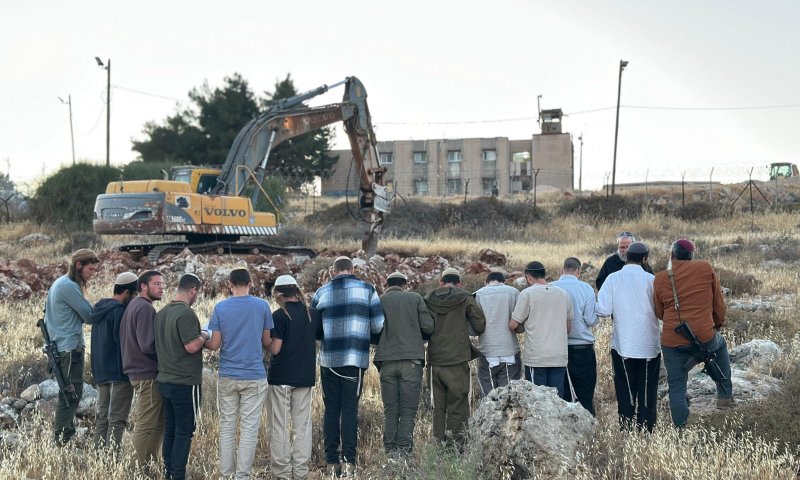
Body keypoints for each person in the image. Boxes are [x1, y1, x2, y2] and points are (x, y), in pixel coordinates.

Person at [312, 256, 384, 477]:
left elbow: (314, 330)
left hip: (329, 361)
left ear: (333, 271)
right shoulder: (368, 290)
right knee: (350, 409)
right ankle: (349, 462)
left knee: (331, 409)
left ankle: (331, 462)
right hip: (355, 359)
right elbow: (378, 325)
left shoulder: (321, 293)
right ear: (352, 270)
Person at [654, 238, 733, 428]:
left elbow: (659, 312)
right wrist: (715, 325)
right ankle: (724, 397)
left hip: (673, 342)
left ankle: (681, 430)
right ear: (691, 255)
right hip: (705, 335)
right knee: (720, 346)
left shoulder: (660, 278)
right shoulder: (705, 268)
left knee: (676, 387)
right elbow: (718, 303)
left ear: (672, 256)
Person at [205, 268, 273, 480]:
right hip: (253, 374)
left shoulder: (221, 307)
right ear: (250, 283)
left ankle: (226, 476)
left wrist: (199, 340)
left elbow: (215, 344)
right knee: (249, 429)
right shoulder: (262, 306)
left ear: (230, 284)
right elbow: (266, 341)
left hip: (228, 374)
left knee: (227, 428)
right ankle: (242, 476)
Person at [596, 242, 661, 432]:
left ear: (626, 257)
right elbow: (661, 311)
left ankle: (626, 429)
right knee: (648, 390)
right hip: (649, 346)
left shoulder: (613, 279)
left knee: (625, 389)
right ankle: (646, 429)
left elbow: (603, 309)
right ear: (644, 259)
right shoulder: (651, 280)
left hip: (623, 345)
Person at [154, 273, 209, 480]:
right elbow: (192, 346)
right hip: (185, 382)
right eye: (197, 293)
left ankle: (169, 473)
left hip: (165, 380)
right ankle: (177, 475)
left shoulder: (161, 313)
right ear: (193, 290)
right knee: (184, 432)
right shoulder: (186, 314)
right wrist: (204, 335)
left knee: (170, 430)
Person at [374, 271, 434, 455]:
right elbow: (428, 327)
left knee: (390, 411)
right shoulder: (415, 298)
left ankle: (389, 451)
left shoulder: (380, 301)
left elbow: (374, 329)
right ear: (405, 284)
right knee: (408, 412)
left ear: (387, 284)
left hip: (386, 362)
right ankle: (404, 452)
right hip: (411, 362)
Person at [45, 248, 100, 446]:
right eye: (90, 270)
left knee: (69, 393)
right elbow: (89, 316)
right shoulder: (69, 286)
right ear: (79, 265)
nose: (92, 274)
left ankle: (65, 435)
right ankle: (62, 441)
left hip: (62, 346)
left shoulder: (59, 283)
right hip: (69, 347)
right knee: (69, 395)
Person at [425, 267, 485, 446]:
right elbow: (480, 325)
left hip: (435, 361)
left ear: (441, 282)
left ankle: (438, 444)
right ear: (459, 283)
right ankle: (457, 446)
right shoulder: (465, 297)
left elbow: (424, 327)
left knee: (438, 407)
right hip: (458, 360)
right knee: (458, 405)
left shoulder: (428, 300)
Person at [267, 274, 320, 479]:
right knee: (302, 426)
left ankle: (282, 472)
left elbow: (276, 348)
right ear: (296, 291)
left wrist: (265, 343)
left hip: (281, 377)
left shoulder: (279, 315)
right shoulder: (313, 314)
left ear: (278, 294)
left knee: (279, 426)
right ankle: (300, 471)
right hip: (305, 376)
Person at [120, 270, 165, 472]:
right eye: (156, 283)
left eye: (162, 284)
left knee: (156, 423)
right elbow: (148, 345)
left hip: (138, 373)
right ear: (143, 286)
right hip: (147, 374)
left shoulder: (134, 305)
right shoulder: (145, 309)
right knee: (146, 425)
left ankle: (148, 467)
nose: (161, 287)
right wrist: (170, 349)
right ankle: (134, 470)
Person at [89, 271, 138, 451]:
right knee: (117, 420)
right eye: (134, 295)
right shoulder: (119, 312)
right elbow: (124, 343)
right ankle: (111, 462)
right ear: (126, 293)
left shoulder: (99, 309)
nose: (134, 299)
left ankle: (99, 459)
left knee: (102, 419)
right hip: (119, 373)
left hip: (101, 373)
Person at [510, 261, 572, 397]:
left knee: (536, 401)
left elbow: (513, 324)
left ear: (528, 277)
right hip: (558, 356)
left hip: (536, 358)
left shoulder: (527, 294)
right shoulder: (563, 294)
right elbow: (568, 328)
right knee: (557, 401)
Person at [551, 257, 599, 415]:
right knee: (584, 394)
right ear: (578, 271)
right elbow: (591, 320)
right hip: (582, 348)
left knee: (561, 394)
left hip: (557, 347)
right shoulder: (585, 288)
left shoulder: (551, 287)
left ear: (561, 270)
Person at [474, 271, 521, 396]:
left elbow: (475, 325)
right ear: (503, 282)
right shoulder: (514, 292)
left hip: (488, 350)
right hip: (510, 349)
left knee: (488, 398)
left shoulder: (477, 295)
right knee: (508, 397)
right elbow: (519, 323)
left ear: (486, 282)